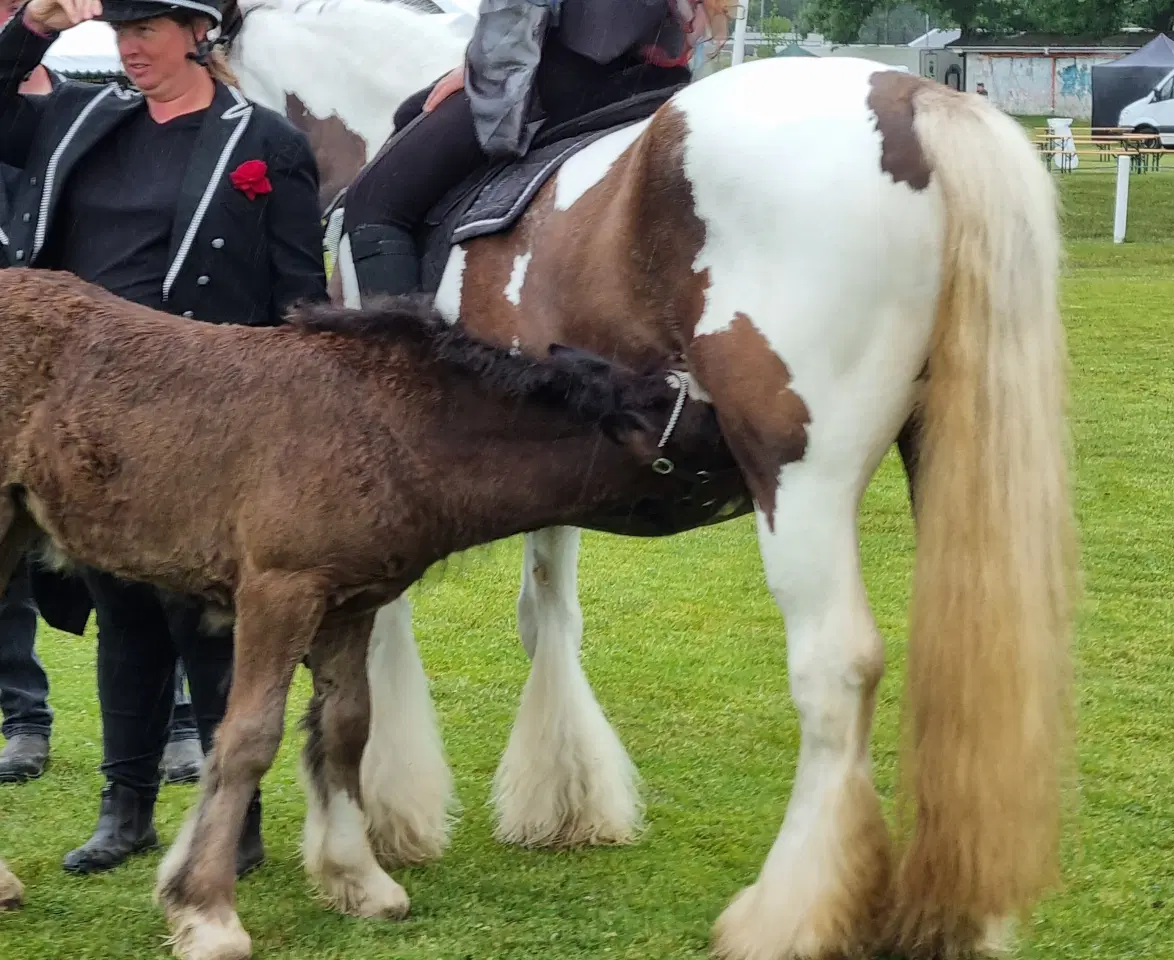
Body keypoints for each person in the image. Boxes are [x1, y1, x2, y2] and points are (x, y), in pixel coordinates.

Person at [0, 0, 326, 872]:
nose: (128, 47)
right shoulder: (81, 117)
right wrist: (30, 28)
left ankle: (237, 817)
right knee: (123, 617)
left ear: (196, 32)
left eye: (146, 29)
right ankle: (127, 807)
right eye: (119, 30)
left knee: (206, 623)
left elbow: (300, 298)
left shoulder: (265, 142)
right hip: (84, 420)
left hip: (203, 419)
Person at [341, 0, 733, 300]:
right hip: (654, 80)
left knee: (374, 204)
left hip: (572, 74)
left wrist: (486, 76)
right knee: (413, 109)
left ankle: (407, 378)